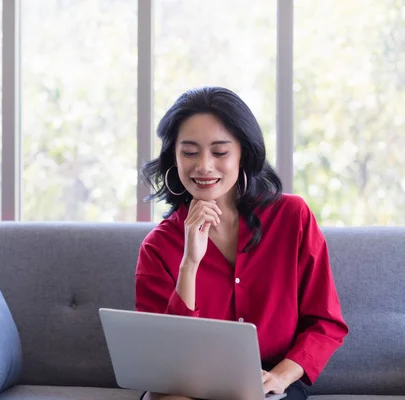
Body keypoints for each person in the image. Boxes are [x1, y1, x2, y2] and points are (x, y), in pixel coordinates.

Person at [135, 87, 349, 400]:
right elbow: (164, 358)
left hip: (270, 377)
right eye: (190, 152)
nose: (204, 166)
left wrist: (279, 377)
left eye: (220, 152)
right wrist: (189, 264)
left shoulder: (292, 217)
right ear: (174, 158)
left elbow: (325, 322)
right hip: (186, 382)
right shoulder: (159, 245)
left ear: (243, 154)